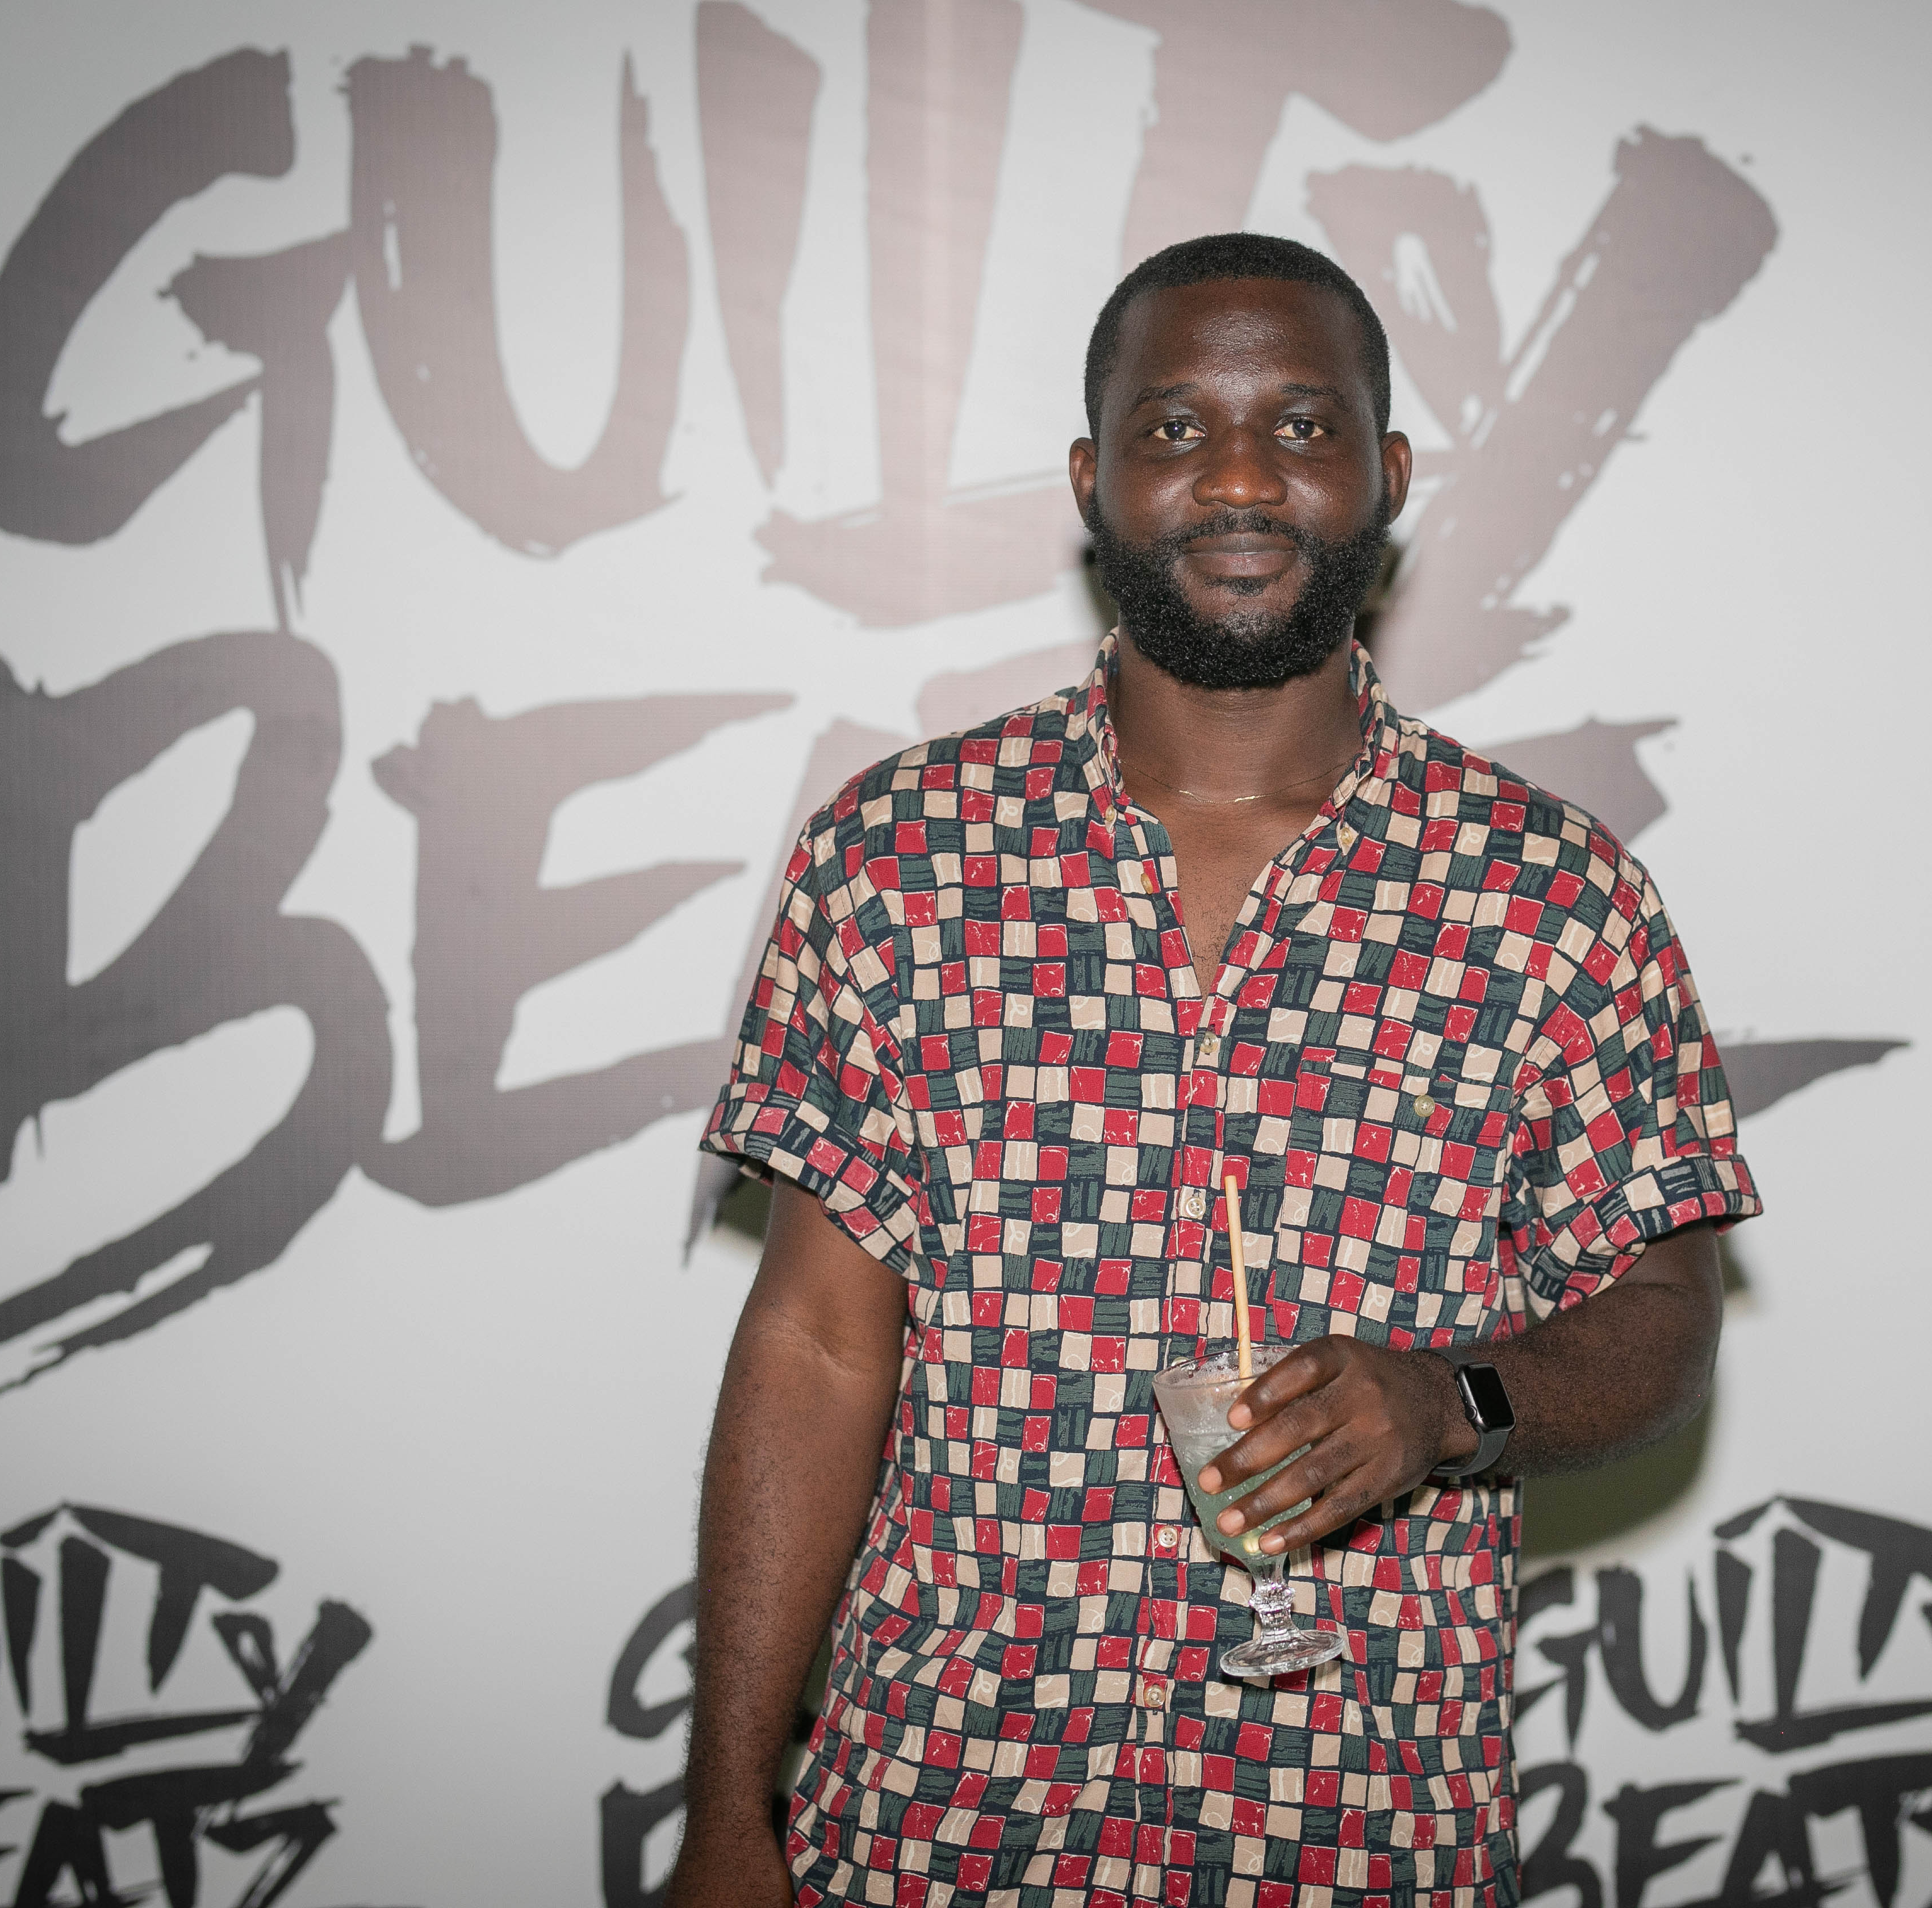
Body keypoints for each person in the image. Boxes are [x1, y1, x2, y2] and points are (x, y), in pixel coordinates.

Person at [670, 232, 1756, 1908]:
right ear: (1091, 479)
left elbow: (1665, 1324)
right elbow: (816, 1345)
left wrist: (1451, 1402)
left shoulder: (1553, 895)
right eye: (1176, 429)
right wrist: (728, 1810)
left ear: (1389, 476)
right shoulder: (899, 856)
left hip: (1360, 1831)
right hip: (942, 1817)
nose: (1242, 476)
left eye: (1303, 427)